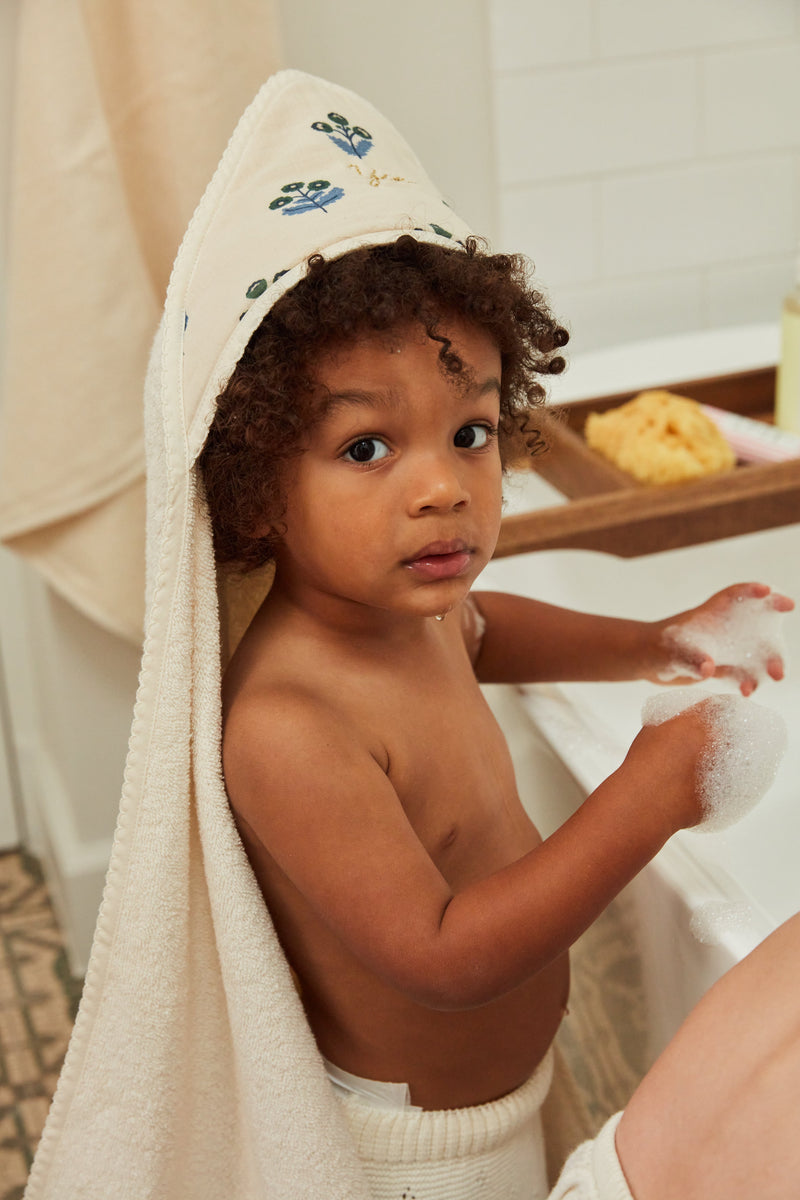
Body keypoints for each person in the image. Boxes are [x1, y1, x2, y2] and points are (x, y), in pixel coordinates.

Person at [199, 232, 795, 1200]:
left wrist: (656, 640)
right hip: (419, 1159)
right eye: (365, 448)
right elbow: (440, 956)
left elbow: (488, 632)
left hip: (503, 1104)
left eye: (470, 433)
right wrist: (647, 795)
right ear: (258, 489)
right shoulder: (290, 724)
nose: (443, 489)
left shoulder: (409, 610)